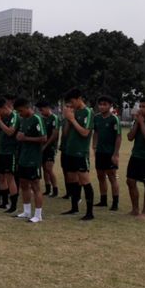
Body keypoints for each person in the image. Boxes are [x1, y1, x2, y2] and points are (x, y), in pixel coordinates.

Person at [61, 88, 95, 220]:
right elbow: (65, 134)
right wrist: (68, 120)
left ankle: (89, 212)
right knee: (72, 180)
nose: (71, 105)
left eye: (72, 101)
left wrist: (73, 119)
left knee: (84, 180)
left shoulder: (88, 112)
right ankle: (74, 207)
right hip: (70, 151)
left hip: (81, 152)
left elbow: (85, 133)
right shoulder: (73, 113)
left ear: (79, 98)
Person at [14, 98, 47, 223]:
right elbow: (21, 136)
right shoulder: (23, 120)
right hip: (24, 156)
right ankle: (26, 211)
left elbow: (44, 138)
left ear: (27, 107)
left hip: (34, 158)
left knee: (35, 186)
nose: (19, 113)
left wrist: (26, 138)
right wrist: (19, 137)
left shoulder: (37, 119)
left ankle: (38, 215)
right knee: (23, 183)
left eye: (20, 111)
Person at [92, 95, 122, 211]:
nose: (102, 106)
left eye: (105, 104)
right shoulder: (97, 118)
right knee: (100, 176)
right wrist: (94, 146)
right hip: (100, 152)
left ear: (110, 106)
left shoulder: (114, 119)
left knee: (112, 177)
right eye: (100, 104)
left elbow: (118, 137)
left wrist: (115, 154)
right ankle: (103, 200)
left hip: (110, 153)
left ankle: (115, 202)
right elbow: (96, 133)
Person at [0, 96, 20, 213]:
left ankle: (13, 205)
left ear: (2, 108)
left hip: (11, 152)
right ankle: (4, 202)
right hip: (1, 151)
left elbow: (9, 132)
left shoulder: (14, 116)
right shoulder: (2, 117)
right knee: (0, 176)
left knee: (9, 177)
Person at [36, 100, 60, 198]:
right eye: (40, 111)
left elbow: (55, 134)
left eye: (42, 110)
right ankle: (48, 188)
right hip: (42, 147)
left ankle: (55, 189)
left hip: (50, 147)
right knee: (44, 168)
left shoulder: (54, 118)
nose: (41, 112)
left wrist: (45, 145)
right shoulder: (41, 119)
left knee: (49, 169)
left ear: (47, 108)